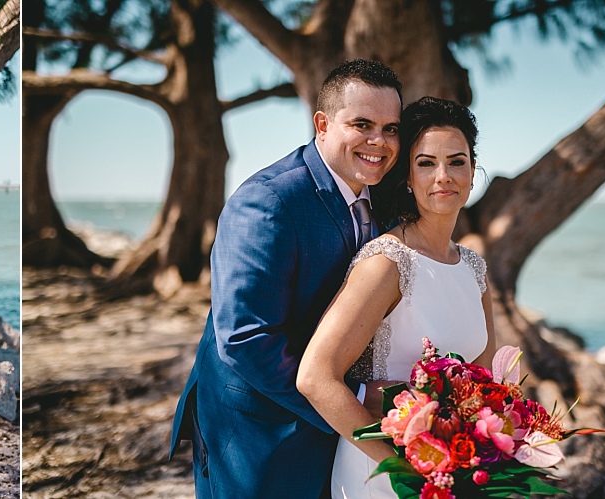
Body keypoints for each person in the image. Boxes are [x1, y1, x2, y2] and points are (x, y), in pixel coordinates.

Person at [169, 59, 404, 497]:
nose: (379, 141)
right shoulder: (268, 201)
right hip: (256, 432)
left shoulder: (383, 196)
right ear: (322, 124)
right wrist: (350, 396)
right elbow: (244, 337)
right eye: (362, 124)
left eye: (391, 128)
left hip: (338, 427)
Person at [297, 96, 499, 499]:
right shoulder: (387, 262)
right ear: (408, 176)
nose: (443, 176)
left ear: (473, 172)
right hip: (384, 474)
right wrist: (403, 467)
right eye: (426, 163)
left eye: (456, 161)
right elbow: (316, 378)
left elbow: (483, 382)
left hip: (451, 473)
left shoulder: (474, 269)